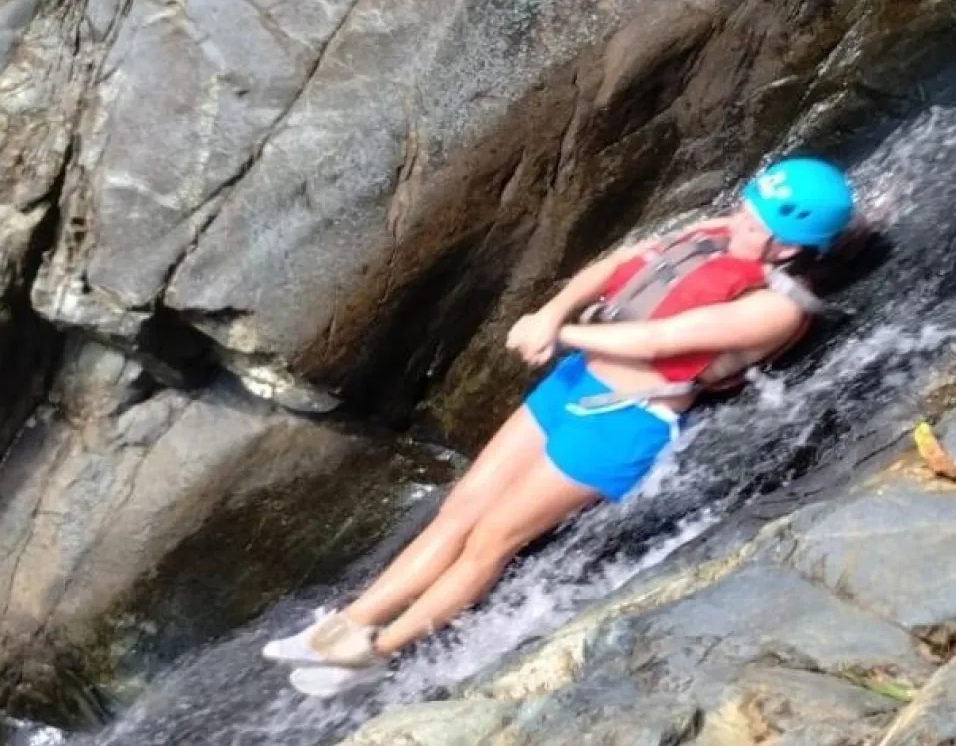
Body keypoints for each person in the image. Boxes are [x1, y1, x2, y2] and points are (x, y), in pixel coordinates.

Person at [264, 157, 858, 697]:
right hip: (574, 383)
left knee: (492, 537)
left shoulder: (773, 309)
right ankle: (346, 626)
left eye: (754, 224)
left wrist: (560, 334)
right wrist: (553, 311)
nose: (736, 223)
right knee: (462, 508)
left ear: (787, 249)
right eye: (742, 209)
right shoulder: (717, 235)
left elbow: (661, 339)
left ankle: (373, 655)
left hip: (624, 419)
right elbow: (620, 266)